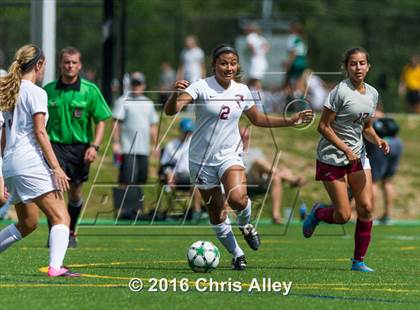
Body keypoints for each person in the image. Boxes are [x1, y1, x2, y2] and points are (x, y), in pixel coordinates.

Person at [165, 44, 314, 270]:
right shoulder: (200, 86)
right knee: (216, 212)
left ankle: (246, 225)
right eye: (223, 63)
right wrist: (174, 95)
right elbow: (171, 110)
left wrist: (290, 121)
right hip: (201, 160)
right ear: (214, 65)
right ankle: (237, 254)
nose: (228, 67)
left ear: (238, 65)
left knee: (237, 199)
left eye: (233, 63)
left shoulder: (242, 90)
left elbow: (258, 119)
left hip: (229, 154)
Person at [303, 47, 390, 272]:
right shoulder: (339, 92)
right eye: (353, 63)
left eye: (362, 63)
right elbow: (323, 127)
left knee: (367, 207)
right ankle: (318, 213)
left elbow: (367, 128)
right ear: (346, 67)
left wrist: (378, 140)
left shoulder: (372, 93)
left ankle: (358, 261)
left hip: (358, 157)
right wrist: (344, 149)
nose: (358, 67)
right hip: (331, 158)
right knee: (342, 216)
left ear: (368, 66)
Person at [0, 44, 79, 276]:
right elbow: (40, 132)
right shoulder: (37, 92)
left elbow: (4, 137)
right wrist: (55, 167)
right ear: (39, 65)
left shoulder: (10, 92)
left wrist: (4, 171)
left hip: (12, 165)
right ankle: (55, 267)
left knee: (28, 223)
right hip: (29, 164)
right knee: (61, 217)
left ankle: (56, 265)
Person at [44, 46, 112, 247]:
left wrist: (95, 147)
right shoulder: (48, 90)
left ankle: (71, 231)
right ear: (60, 64)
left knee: (75, 192)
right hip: (54, 146)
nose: (70, 66)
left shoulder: (89, 90)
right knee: (54, 190)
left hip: (80, 149)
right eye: (66, 62)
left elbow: (101, 119)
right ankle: (55, 233)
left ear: (80, 65)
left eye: (74, 62)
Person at [240, 127, 306, 224]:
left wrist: (281, 170)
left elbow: (267, 167)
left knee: (275, 177)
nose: (245, 139)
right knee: (258, 162)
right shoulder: (234, 152)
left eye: (247, 137)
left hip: (261, 179)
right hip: (246, 180)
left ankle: (276, 216)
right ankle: (291, 179)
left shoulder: (256, 151)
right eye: (242, 137)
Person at [112, 72, 158, 187]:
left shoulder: (149, 103)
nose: (136, 86)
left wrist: (156, 144)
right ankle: (124, 205)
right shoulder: (123, 101)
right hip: (127, 149)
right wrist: (116, 143)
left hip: (143, 149)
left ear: (144, 85)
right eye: (134, 83)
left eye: (139, 83)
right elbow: (116, 122)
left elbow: (152, 125)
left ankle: (136, 205)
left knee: (141, 180)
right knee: (127, 180)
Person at [160, 118, 203, 222]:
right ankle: (172, 211)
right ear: (180, 130)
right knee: (169, 180)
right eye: (186, 132)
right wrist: (169, 174)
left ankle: (196, 211)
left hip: (192, 175)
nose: (188, 134)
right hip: (176, 176)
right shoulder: (171, 145)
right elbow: (165, 165)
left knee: (196, 180)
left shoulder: (196, 144)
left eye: (190, 132)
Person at [365, 107, 403, 225]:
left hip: (380, 144)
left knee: (373, 182)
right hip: (396, 143)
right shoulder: (383, 115)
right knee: (388, 181)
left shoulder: (370, 113)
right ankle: (387, 215)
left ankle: (370, 215)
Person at [245, 23, 269, 89]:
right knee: (252, 79)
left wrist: (254, 51)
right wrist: (262, 52)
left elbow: (250, 45)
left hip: (256, 61)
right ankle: (249, 94)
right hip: (262, 61)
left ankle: (259, 96)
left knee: (256, 80)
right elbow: (267, 47)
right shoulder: (261, 38)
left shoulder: (250, 36)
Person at [283, 20, 308, 86]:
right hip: (303, 61)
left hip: (296, 61)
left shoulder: (292, 37)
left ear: (293, 28)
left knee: (288, 82)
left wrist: (289, 63)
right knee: (299, 82)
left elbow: (293, 52)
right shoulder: (301, 38)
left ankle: (291, 95)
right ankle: (300, 95)